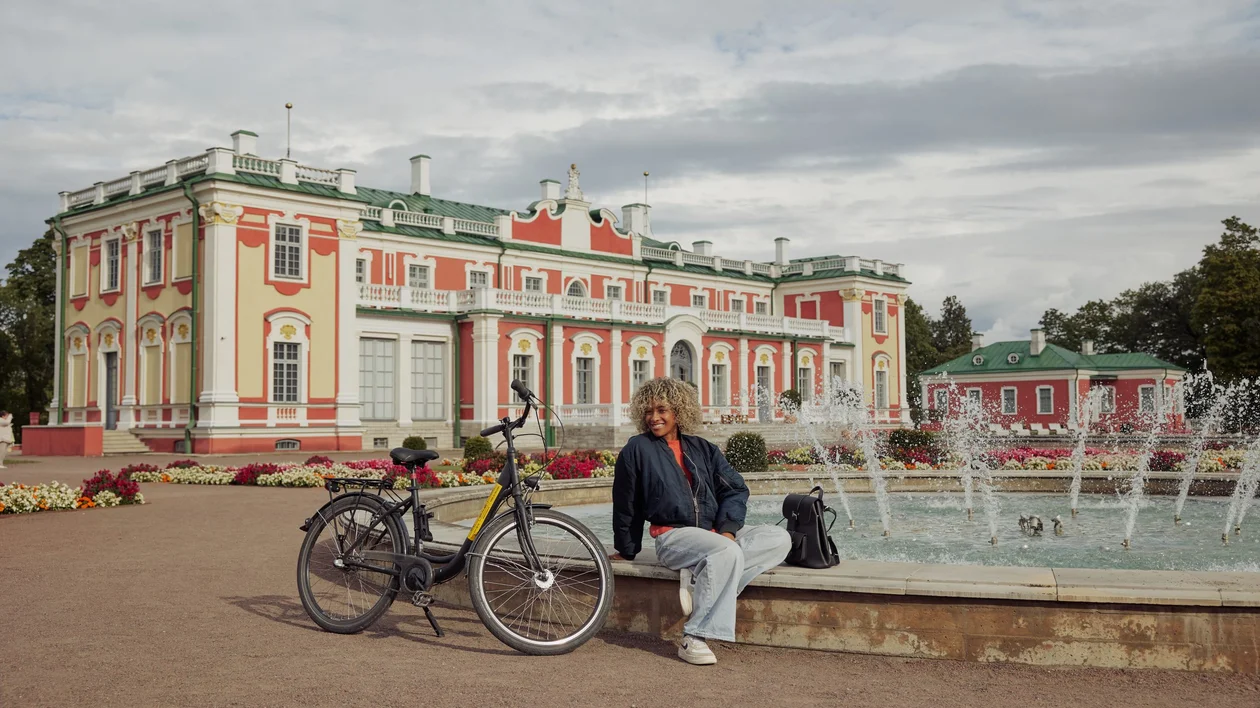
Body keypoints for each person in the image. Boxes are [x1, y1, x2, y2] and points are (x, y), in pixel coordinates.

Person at [611, 377, 791, 665]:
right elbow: (625, 502)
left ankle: (703, 577)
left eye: (662, 410)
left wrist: (728, 530)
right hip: (674, 536)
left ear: (679, 412)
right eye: (648, 411)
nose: (654, 417)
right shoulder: (637, 449)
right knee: (726, 551)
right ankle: (694, 636)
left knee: (779, 538)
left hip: (714, 535)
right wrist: (627, 548)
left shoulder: (703, 449)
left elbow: (734, 489)